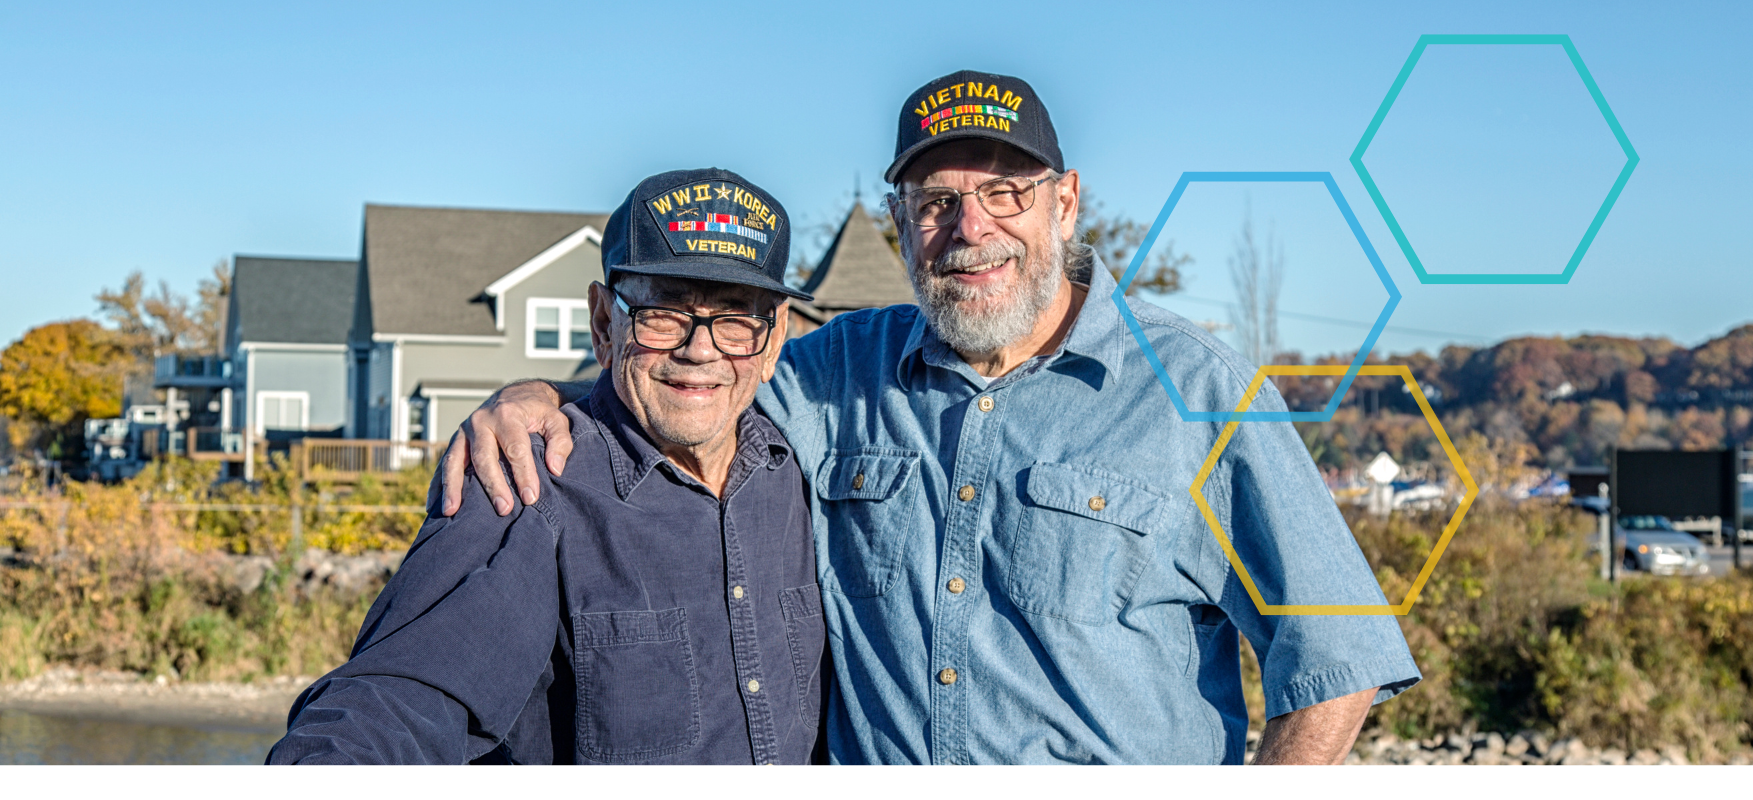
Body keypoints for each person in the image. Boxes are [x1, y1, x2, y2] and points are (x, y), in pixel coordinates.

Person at [443, 71, 1420, 764]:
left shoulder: (1202, 393)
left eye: (1006, 191)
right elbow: (693, 381)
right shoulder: (833, 371)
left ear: (1066, 203)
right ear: (902, 218)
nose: (971, 228)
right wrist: (545, 394)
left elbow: (1335, 657)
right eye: (938, 200)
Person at [268, 168, 826, 764]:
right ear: (604, 322)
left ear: (773, 340)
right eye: (663, 313)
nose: (699, 349)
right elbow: (404, 691)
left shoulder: (803, 472)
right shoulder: (529, 483)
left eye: (736, 318)